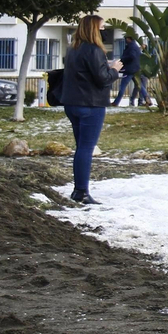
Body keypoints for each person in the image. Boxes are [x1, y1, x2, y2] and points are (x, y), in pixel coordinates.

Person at [63, 15, 122, 205]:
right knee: (86, 149)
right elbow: (102, 78)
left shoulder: (73, 49)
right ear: (94, 29)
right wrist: (114, 69)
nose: (104, 31)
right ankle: (81, 191)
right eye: (102, 27)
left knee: (81, 147)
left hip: (72, 103)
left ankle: (78, 189)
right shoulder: (94, 50)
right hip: (91, 104)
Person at [111, 33, 148, 107]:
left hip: (129, 70)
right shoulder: (136, 47)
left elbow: (132, 56)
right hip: (135, 69)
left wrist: (123, 59)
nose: (125, 40)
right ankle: (148, 99)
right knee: (140, 85)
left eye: (126, 38)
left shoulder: (132, 47)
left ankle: (116, 102)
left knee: (122, 86)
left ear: (129, 39)